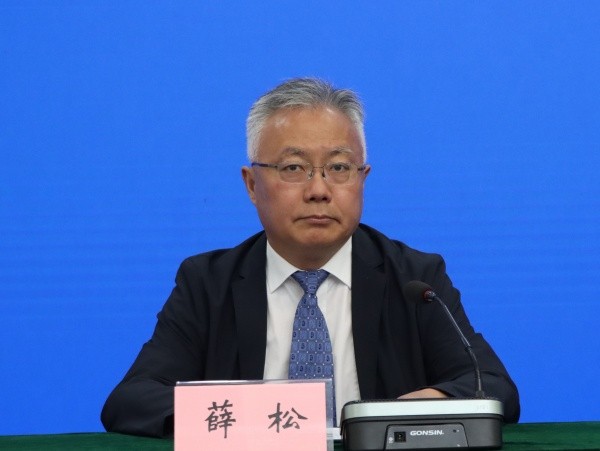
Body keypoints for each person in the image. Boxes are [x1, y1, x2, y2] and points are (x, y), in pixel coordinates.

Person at [101, 77, 520, 437]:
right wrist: (255, 421)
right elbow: (132, 400)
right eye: (293, 168)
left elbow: (493, 386)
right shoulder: (207, 283)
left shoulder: (415, 278)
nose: (318, 190)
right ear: (252, 185)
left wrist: (432, 402)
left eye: (338, 168)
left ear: (362, 179)